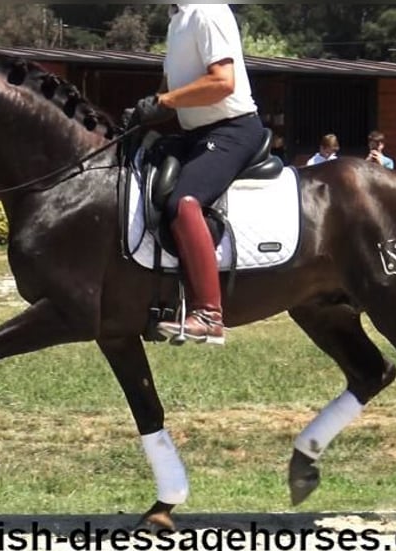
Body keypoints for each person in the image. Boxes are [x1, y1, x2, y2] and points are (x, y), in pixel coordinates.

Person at [132, 4, 265, 345]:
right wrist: (145, 111)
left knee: (185, 202)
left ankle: (209, 314)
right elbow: (171, 88)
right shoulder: (178, 20)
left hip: (232, 130)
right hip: (196, 133)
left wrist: (164, 102)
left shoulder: (208, 11)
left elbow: (222, 82)